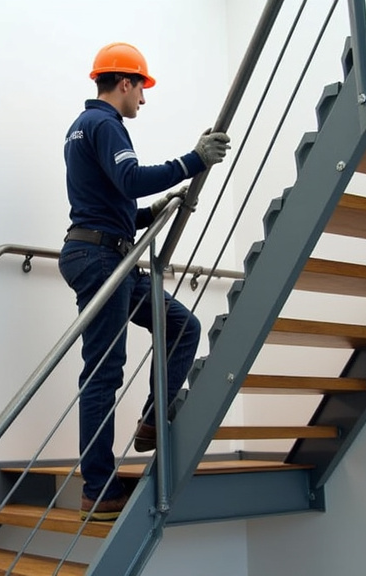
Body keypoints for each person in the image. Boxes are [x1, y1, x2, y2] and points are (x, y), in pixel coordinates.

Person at [58, 41, 230, 521]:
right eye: (142, 89)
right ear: (125, 82)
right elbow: (130, 177)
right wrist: (195, 159)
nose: (144, 100)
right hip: (101, 259)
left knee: (182, 327)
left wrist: (148, 214)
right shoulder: (104, 124)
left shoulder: (81, 128)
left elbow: (106, 200)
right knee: (104, 372)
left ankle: (154, 420)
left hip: (107, 251)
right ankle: (98, 487)